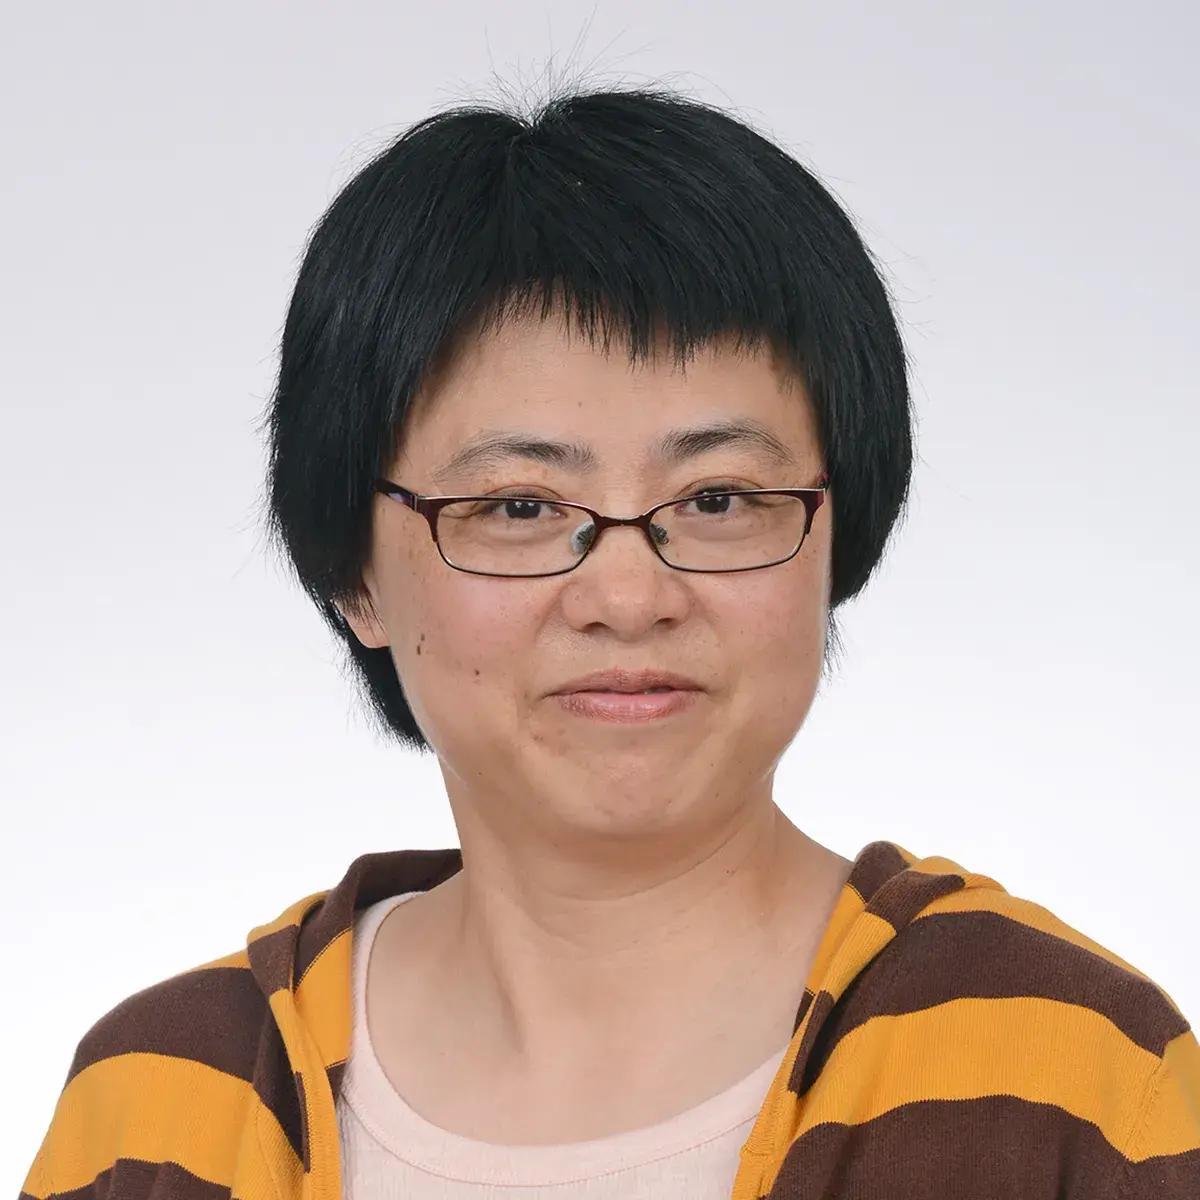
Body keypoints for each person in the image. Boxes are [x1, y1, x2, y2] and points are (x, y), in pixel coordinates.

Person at [21, 85, 1199, 1200]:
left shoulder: (1075, 1077)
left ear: (839, 535)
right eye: (520, 506)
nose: (629, 596)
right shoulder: (159, 1104)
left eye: (719, 498)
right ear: (354, 576)